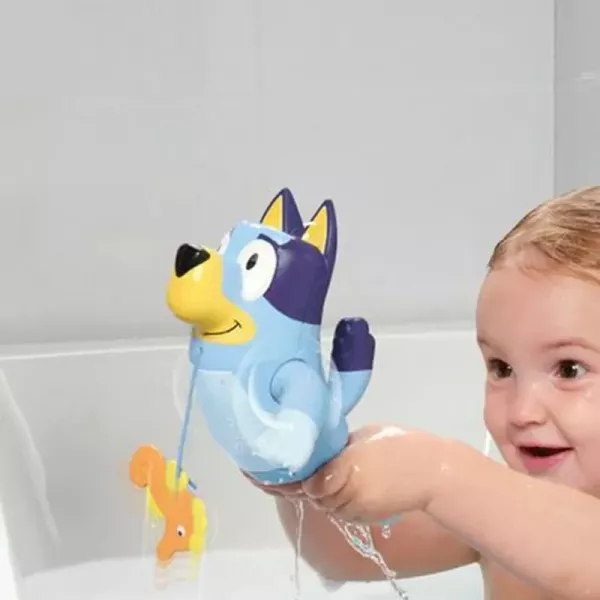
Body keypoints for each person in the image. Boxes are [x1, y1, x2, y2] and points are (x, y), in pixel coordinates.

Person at [245, 185, 600, 600]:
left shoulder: (489, 500)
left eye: (569, 369)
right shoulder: (499, 516)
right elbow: (340, 557)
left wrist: (441, 472)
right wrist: (309, 475)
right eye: (501, 368)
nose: (522, 411)